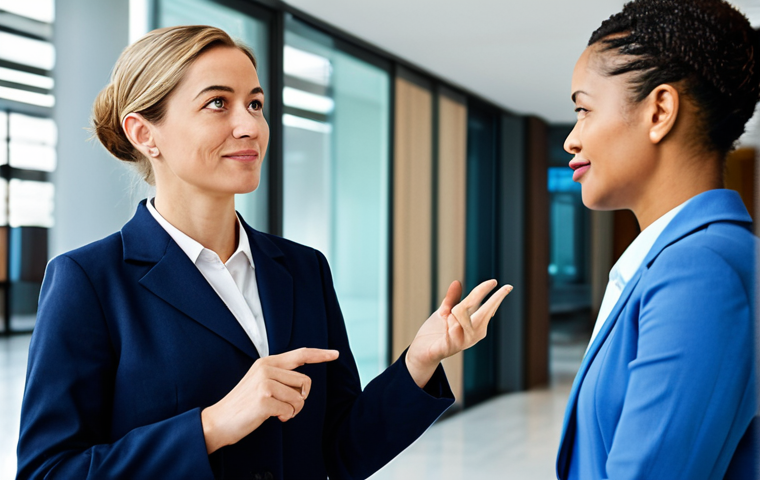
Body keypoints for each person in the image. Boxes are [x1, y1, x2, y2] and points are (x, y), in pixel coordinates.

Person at [16, 25, 512, 480]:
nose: (250, 125)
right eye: (218, 103)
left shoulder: (301, 268)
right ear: (145, 134)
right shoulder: (89, 280)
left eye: (255, 104)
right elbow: (48, 470)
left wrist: (419, 362)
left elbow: (340, 452)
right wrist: (212, 425)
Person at [556, 1, 759, 478]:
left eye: (584, 110)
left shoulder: (703, 272)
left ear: (660, 111)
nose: (571, 139)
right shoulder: (681, 261)